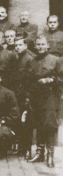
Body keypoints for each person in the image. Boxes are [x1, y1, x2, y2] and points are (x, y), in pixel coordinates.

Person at [27, 37, 61, 168]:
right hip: (37, 97)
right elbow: (29, 79)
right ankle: (40, 153)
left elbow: (61, 78)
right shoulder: (33, 61)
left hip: (51, 97)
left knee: (50, 125)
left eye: (43, 44)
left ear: (48, 46)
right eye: (38, 44)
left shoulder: (55, 60)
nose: (40, 46)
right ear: (35, 46)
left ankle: (50, 155)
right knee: (39, 123)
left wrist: (50, 80)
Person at [11, 33, 35, 159]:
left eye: (20, 45)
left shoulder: (30, 59)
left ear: (25, 45)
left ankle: (27, 149)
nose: (17, 47)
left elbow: (31, 81)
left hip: (26, 96)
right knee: (19, 122)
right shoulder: (17, 58)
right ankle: (21, 147)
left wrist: (27, 98)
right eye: (16, 45)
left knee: (26, 123)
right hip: (18, 95)